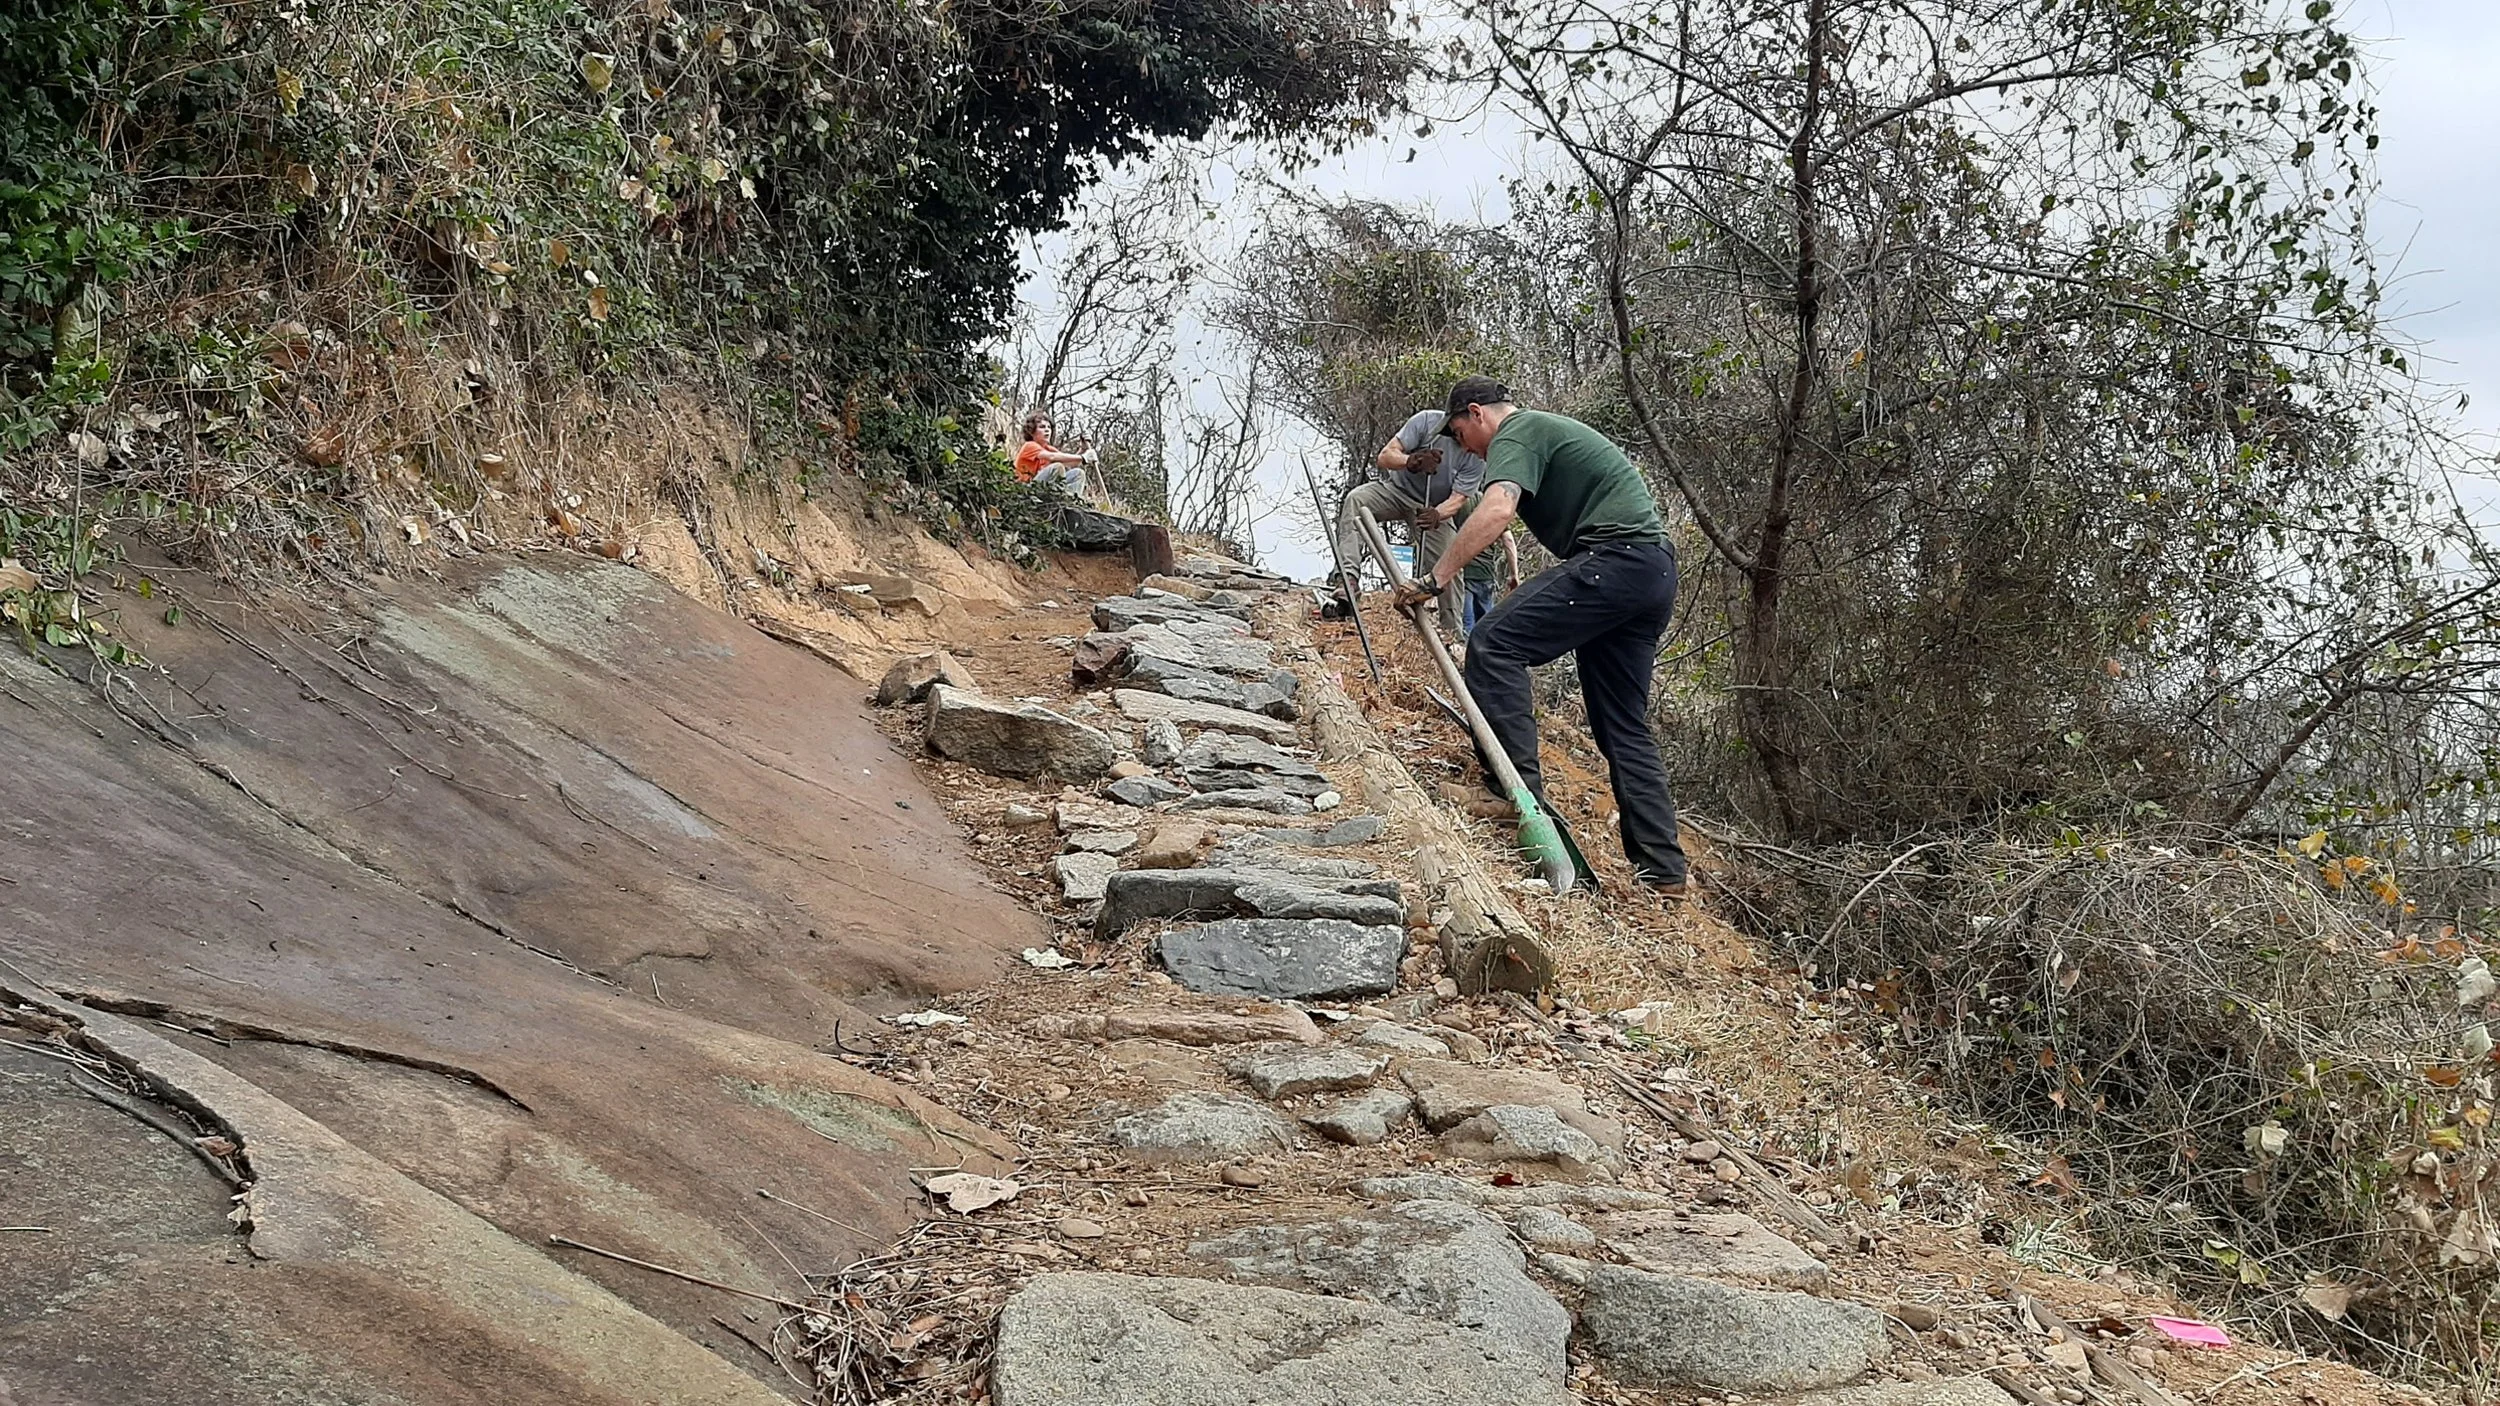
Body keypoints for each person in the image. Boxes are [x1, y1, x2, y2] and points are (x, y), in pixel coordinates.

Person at [1394, 376, 1689, 896]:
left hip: (1616, 559)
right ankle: (1662, 871)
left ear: (1478, 413)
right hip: (1651, 570)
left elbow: (1497, 510)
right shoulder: (1539, 434)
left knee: (1493, 642)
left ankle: (1514, 795)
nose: (1460, 444)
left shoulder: (1518, 432)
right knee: (1621, 724)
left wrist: (1433, 579)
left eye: (1459, 432)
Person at [1328, 406, 1485, 620]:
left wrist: (1437, 514)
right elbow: (1385, 457)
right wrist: (1411, 461)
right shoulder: (1426, 422)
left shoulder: (1477, 455)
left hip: (1431, 508)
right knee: (1357, 499)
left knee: (1451, 560)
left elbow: (1458, 499)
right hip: (1395, 491)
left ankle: (1452, 631)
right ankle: (1348, 580)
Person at [1452, 494, 1521, 637]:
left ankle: (1466, 657)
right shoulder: (1490, 504)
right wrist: (1514, 574)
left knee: (1466, 627)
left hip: (1464, 573)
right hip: (1486, 575)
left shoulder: (1454, 502)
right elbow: (1508, 540)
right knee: (1488, 627)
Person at [1013, 412, 1091, 493]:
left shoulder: (1049, 449)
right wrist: (1083, 457)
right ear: (1031, 432)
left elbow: (1071, 463)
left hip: (1041, 487)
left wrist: (1083, 449)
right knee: (1057, 467)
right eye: (1042, 427)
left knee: (1078, 473)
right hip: (1025, 490)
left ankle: (1069, 501)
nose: (1047, 430)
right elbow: (1052, 457)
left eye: (1049, 427)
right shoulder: (1029, 445)